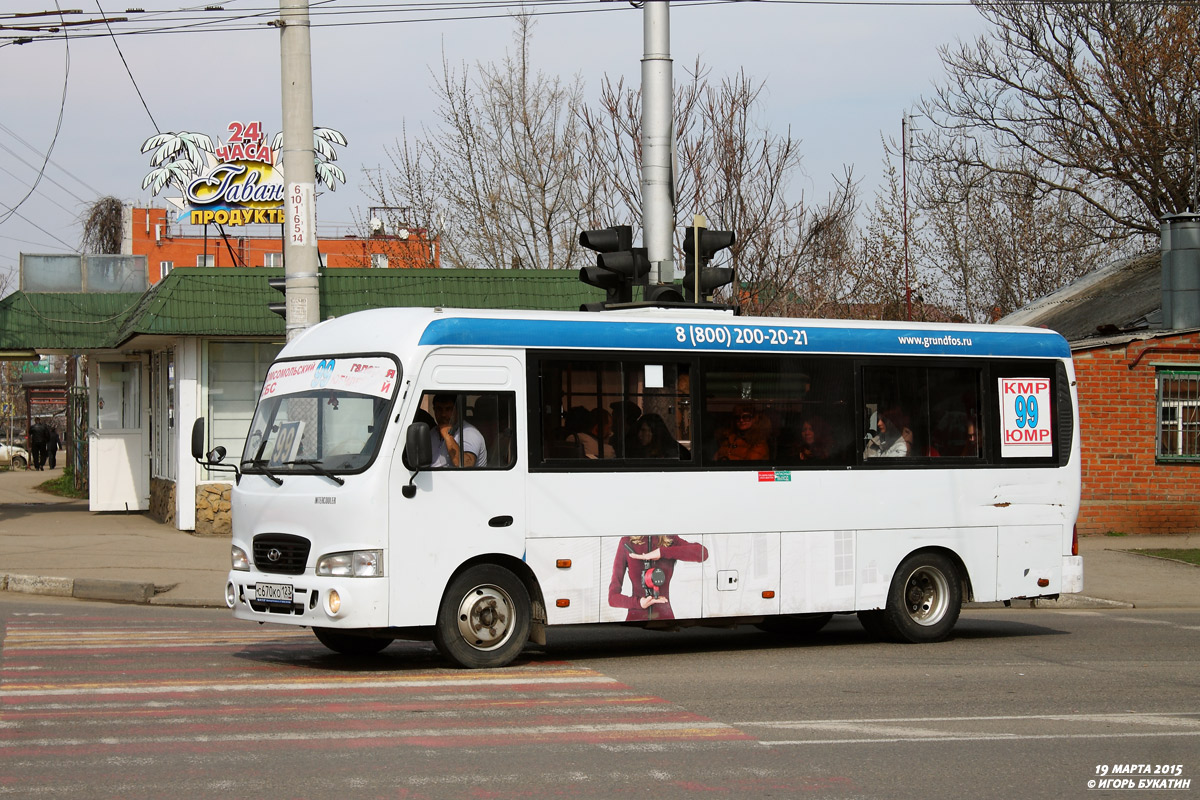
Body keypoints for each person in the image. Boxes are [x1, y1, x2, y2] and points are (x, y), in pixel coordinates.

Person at [607, 534, 709, 621]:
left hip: (665, 623)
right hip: (636, 624)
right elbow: (612, 598)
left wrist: (662, 552)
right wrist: (639, 603)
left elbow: (702, 553)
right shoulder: (626, 542)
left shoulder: (670, 539)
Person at [429, 394, 487, 468]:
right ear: (434, 410)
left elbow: (466, 464)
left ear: (457, 410)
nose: (443, 414)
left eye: (448, 409)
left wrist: (447, 436)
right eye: (439, 409)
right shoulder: (432, 433)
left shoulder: (469, 433)